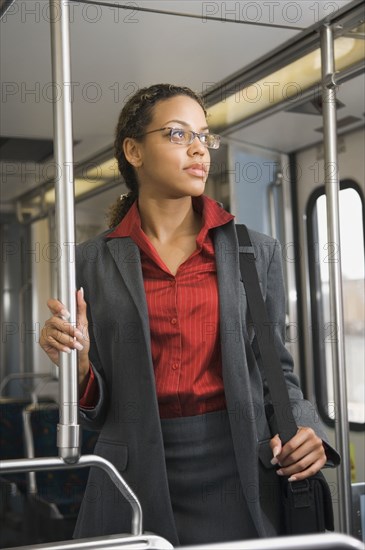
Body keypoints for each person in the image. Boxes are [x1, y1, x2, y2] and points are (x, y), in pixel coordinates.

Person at [40, 83, 339, 546]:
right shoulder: (90, 262)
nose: (199, 148)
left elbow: (277, 372)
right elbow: (98, 410)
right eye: (178, 135)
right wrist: (77, 366)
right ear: (134, 151)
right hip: (133, 467)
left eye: (204, 136)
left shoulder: (255, 252)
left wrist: (307, 428)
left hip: (243, 466)